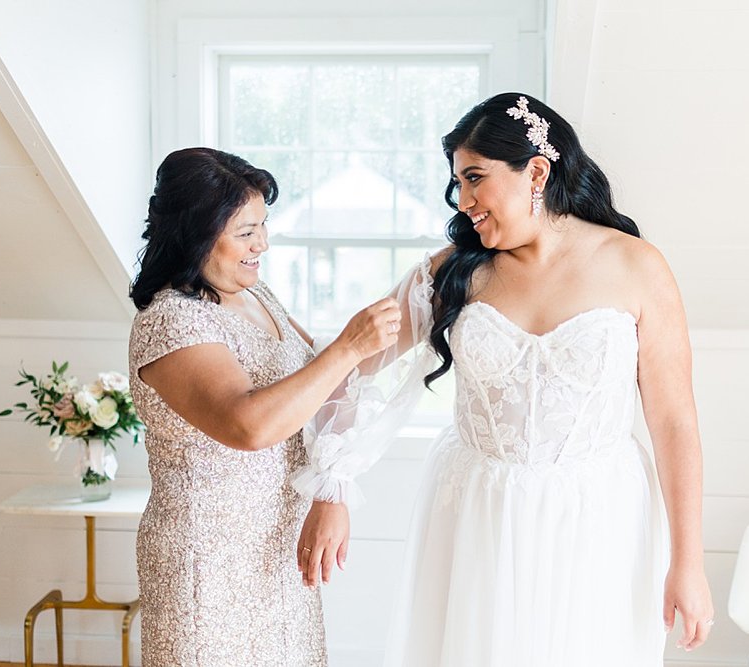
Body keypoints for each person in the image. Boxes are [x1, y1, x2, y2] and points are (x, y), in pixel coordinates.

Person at [292, 93, 714, 666]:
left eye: (475, 178)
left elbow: (674, 423)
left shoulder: (636, 266)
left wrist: (687, 563)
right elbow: (346, 363)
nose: (463, 201)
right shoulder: (452, 272)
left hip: (600, 518)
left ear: (536, 171)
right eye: (457, 183)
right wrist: (332, 486)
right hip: (480, 514)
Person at [127, 147, 400, 666]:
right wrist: (349, 345)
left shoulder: (257, 295)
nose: (263, 244)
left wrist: (332, 489)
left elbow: (320, 389)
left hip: (278, 555)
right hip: (207, 565)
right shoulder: (170, 321)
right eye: (246, 231)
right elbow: (247, 424)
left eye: (264, 226)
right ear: (197, 231)